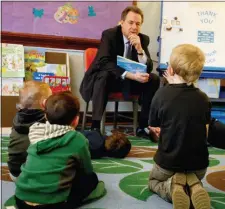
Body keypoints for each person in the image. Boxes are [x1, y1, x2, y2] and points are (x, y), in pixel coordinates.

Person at [80, 6, 160, 138]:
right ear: (121, 22)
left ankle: (143, 126)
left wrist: (140, 50)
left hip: (129, 81)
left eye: (138, 24)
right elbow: (104, 62)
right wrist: (131, 75)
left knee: (153, 79)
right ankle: (95, 127)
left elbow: (148, 67)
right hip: (108, 79)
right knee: (104, 76)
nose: (134, 27)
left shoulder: (143, 39)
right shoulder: (109, 35)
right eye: (130, 23)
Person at [15, 92, 105, 209]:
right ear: (76, 120)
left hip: (21, 200)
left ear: (46, 116)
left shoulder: (35, 131)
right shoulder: (77, 139)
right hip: (54, 204)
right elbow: (87, 169)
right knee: (91, 178)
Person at [148, 44, 211, 209]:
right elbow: (205, 132)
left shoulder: (161, 95)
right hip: (199, 167)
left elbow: (154, 128)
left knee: (153, 182)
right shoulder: (203, 99)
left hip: (168, 165)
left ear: (170, 69)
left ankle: (171, 187)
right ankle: (194, 185)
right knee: (191, 171)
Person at [7, 81, 52, 181]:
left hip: (15, 172)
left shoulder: (17, 119)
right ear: (44, 102)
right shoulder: (47, 120)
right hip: (35, 174)